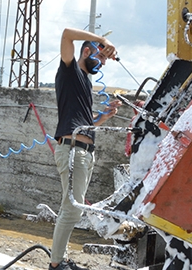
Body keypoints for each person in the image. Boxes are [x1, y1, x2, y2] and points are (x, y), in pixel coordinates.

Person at [50, 28, 121, 270]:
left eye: (104, 60)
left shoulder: (85, 84)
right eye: (99, 57)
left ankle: (61, 260)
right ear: (87, 51)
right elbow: (67, 34)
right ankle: (56, 264)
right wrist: (103, 40)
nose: (101, 63)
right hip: (73, 150)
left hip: (84, 151)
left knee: (71, 208)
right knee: (72, 210)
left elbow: (85, 122)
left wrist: (104, 116)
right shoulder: (70, 70)